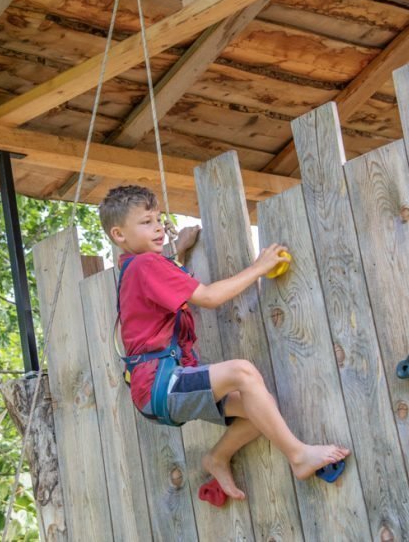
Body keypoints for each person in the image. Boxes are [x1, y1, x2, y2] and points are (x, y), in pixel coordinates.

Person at [99, 185, 349, 500]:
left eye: (159, 218)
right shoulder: (146, 265)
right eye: (146, 222)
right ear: (119, 234)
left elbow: (168, 291)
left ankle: (216, 457)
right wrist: (260, 267)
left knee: (262, 409)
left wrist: (179, 253)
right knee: (242, 372)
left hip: (159, 390)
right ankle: (298, 456)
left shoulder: (140, 268)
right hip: (160, 384)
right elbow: (209, 297)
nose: (159, 226)